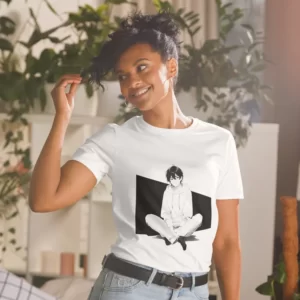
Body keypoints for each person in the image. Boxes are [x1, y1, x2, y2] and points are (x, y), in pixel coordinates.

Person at [29, 11, 244, 300]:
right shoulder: (115, 139)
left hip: (195, 291)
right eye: (123, 76)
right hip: (129, 288)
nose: (132, 82)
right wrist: (62, 119)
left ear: (170, 66)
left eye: (142, 68)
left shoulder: (219, 141)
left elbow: (227, 241)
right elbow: (44, 200)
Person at [145, 165, 203, 251]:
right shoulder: (167, 191)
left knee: (199, 217)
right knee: (148, 217)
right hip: (169, 225)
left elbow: (188, 213)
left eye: (176, 178)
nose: (174, 180)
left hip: (184, 226)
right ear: (169, 180)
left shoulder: (186, 189)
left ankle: (172, 236)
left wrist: (181, 226)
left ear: (181, 178)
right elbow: (165, 212)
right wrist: (170, 226)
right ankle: (175, 237)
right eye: (172, 179)